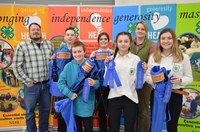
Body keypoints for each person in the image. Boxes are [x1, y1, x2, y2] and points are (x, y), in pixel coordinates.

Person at [146, 28, 193, 132]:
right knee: (155, 121)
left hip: (175, 94)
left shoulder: (183, 57)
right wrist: (155, 80)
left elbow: (189, 78)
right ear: (159, 41)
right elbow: (147, 76)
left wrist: (180, 80)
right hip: (157, 94)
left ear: (174, 40)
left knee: (172, 124)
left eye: (169, 38)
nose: (166, 41)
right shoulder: (153, 57)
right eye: (163, 38)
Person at [12, 22, 54, 132]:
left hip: (46, 85)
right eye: (33, 30)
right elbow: (16, 66)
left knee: (45, 111)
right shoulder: (22, 46)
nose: (35, 31)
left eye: (37, 29)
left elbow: (53, 63)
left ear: (41, 31)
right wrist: (27, 81)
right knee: (30, 112)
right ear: (29, 32)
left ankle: (43, 130)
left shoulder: (49, 45)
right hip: (31, 86)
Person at [105, 32, 147, 132]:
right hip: (114, 96)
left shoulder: (136, 59)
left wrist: (143, 72)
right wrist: (106, 66)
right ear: (116, 43)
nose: (123, 44)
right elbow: (106, 81)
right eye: (120, 41)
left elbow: (139, 81)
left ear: (130, 43)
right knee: (113, 127)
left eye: (126, 41)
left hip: (131, 97)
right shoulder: (111, 59)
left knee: (130, 128)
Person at [58, 41, 100, 132]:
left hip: (87, 104)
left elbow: (99, 82)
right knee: (76, 128)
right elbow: (60, 83)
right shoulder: (68, 66)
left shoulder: (91, 65)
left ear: (84, 52)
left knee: (88, 128)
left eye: (80, 51)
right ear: (72, 53)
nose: (77, 54)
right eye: (75, 52)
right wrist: (69, 94)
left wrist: (95, 83)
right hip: (74, 104)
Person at [130, 21, 156, 132]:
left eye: (143, 29)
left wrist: (147, 66)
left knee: (143, 109)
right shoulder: (130, 42)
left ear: (146, 32)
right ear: (135, 30)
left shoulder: (151, 45)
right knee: (132, 108)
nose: (140, 31)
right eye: (138, 28)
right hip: (130, 81)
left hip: (145, 82)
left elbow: (153, 63)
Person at [50, 26, 76, 132]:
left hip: (75, 87)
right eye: (68, 35)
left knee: (74, 113)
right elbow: (53, 66)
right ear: (64, 37)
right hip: (62, 87)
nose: (70, 37)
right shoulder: (59, 52)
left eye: (72, 35)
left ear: (75, 37)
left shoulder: (78, 50)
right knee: (61, 113)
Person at [90, 32, 113, 132]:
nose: (103, 41)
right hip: (99, 86)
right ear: (98, 41)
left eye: (105, 39)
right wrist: (91, 58)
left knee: (112, 110)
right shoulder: (94, 54)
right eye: (101, 39)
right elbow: (91, 69)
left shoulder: (113, 53)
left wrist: (114, 55)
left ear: (108, 41)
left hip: (111, 85)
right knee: (102, 110)